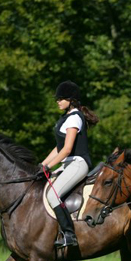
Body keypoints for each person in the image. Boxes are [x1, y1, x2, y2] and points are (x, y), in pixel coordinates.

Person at [39, 80, 98, 248]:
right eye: (57, 99)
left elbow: (66, 150)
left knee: (52, 195)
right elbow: (58, 149)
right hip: (68, 164)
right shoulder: (65, 118)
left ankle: (69, 235)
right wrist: (42, 164)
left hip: (78, 163)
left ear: (71, 100)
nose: (58, 101)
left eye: (61, 98)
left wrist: (49, 167)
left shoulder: (74, 119)